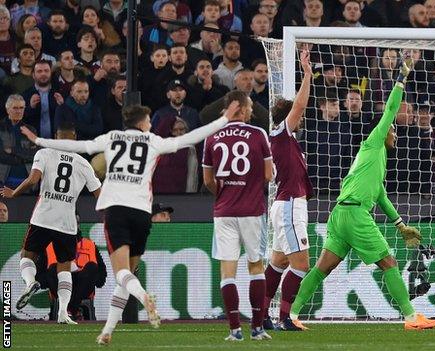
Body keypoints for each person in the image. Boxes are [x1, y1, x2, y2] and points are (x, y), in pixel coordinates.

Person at [20, 103, 239, 345]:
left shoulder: (113, 138)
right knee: (127, 274)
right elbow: (189, 139)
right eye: (148, 121)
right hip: (142, 212)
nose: (151, 125)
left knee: (122, 274)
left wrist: (40, 141)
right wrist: (222, 121)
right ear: (142, 122)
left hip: (116, 211)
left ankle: (144, 296)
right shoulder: (153, 141)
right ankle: (108, 331)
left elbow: (79, 146)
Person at [288, 58, 435, 331]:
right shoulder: (373, 142)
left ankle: (292, 314)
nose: (395, 133)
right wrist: (400, 79)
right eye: (392, 129)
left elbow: (381, 196)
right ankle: (410, 318)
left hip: (340, 215)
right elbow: (391, 109)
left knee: (323, 268)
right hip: (356, 214)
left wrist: (400, 224)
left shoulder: (375, 160)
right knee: (389, 262)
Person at [0, 122, 101, 324]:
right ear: (74, 139)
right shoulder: (83, 163)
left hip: (43, 217)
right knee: (64, 268)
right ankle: (63, 313)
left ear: (56, 136)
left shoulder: (44, 154)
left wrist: (14, 193)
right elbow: (99, 194)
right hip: (67, 222)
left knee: (27, 255)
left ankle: (30, 282)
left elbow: (32, 179)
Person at [202, 90, 273, 341]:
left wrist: (224, 191)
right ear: (241, 109)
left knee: (227, 271)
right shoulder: (258, 134)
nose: (252, 110)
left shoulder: (212, 136)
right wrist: (248, 185)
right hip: (253, 210)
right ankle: (257, 328)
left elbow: (208, 179)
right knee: (256, 266)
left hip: (224, 211)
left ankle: (234, 330)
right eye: (250, 106)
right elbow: (268, 175)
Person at [262, 50, 313, 331]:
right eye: (296, 115)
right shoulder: (281, 133)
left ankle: (262, 315)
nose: (300, 118)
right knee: (301, 264)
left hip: (285, 204)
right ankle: (283, 318)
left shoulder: (284, 140)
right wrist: (307, 74)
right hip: (291, 205)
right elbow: (300, 107)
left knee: (279, 262)